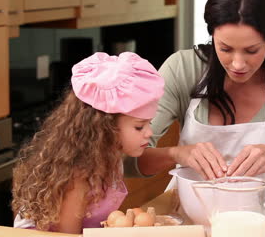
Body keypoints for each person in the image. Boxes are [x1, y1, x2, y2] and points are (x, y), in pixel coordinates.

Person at [125, 0, 265, 209]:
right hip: (186, 218)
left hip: (260, 225)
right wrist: (177, 154)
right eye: (225, 48)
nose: (238, 63)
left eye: (251, 50)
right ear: (212, 36)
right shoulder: (184, 69)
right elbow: (126, 161)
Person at [12, 52, 164, 233]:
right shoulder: (78, 175)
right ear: (107, 128)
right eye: (139, 127)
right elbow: (68, 234)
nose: (149, 133)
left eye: (150, 123)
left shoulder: (110, 155)